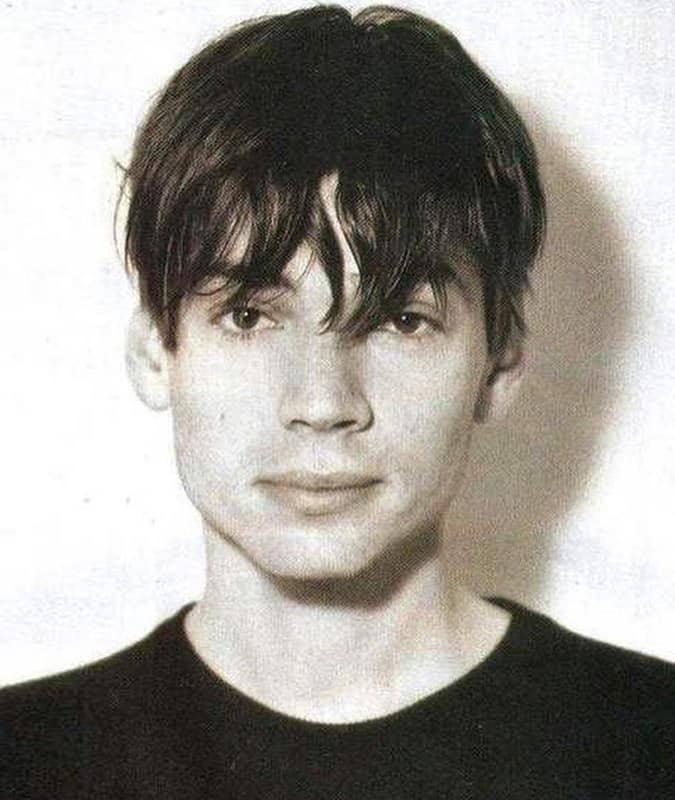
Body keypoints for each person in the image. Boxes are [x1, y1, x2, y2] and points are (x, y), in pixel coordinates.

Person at [1, 5, 673, 798]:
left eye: (399, 319)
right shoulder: (25, 760)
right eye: (248, 315)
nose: (322, 403)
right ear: (155, 348)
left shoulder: (647, 745)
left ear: (498, 361)